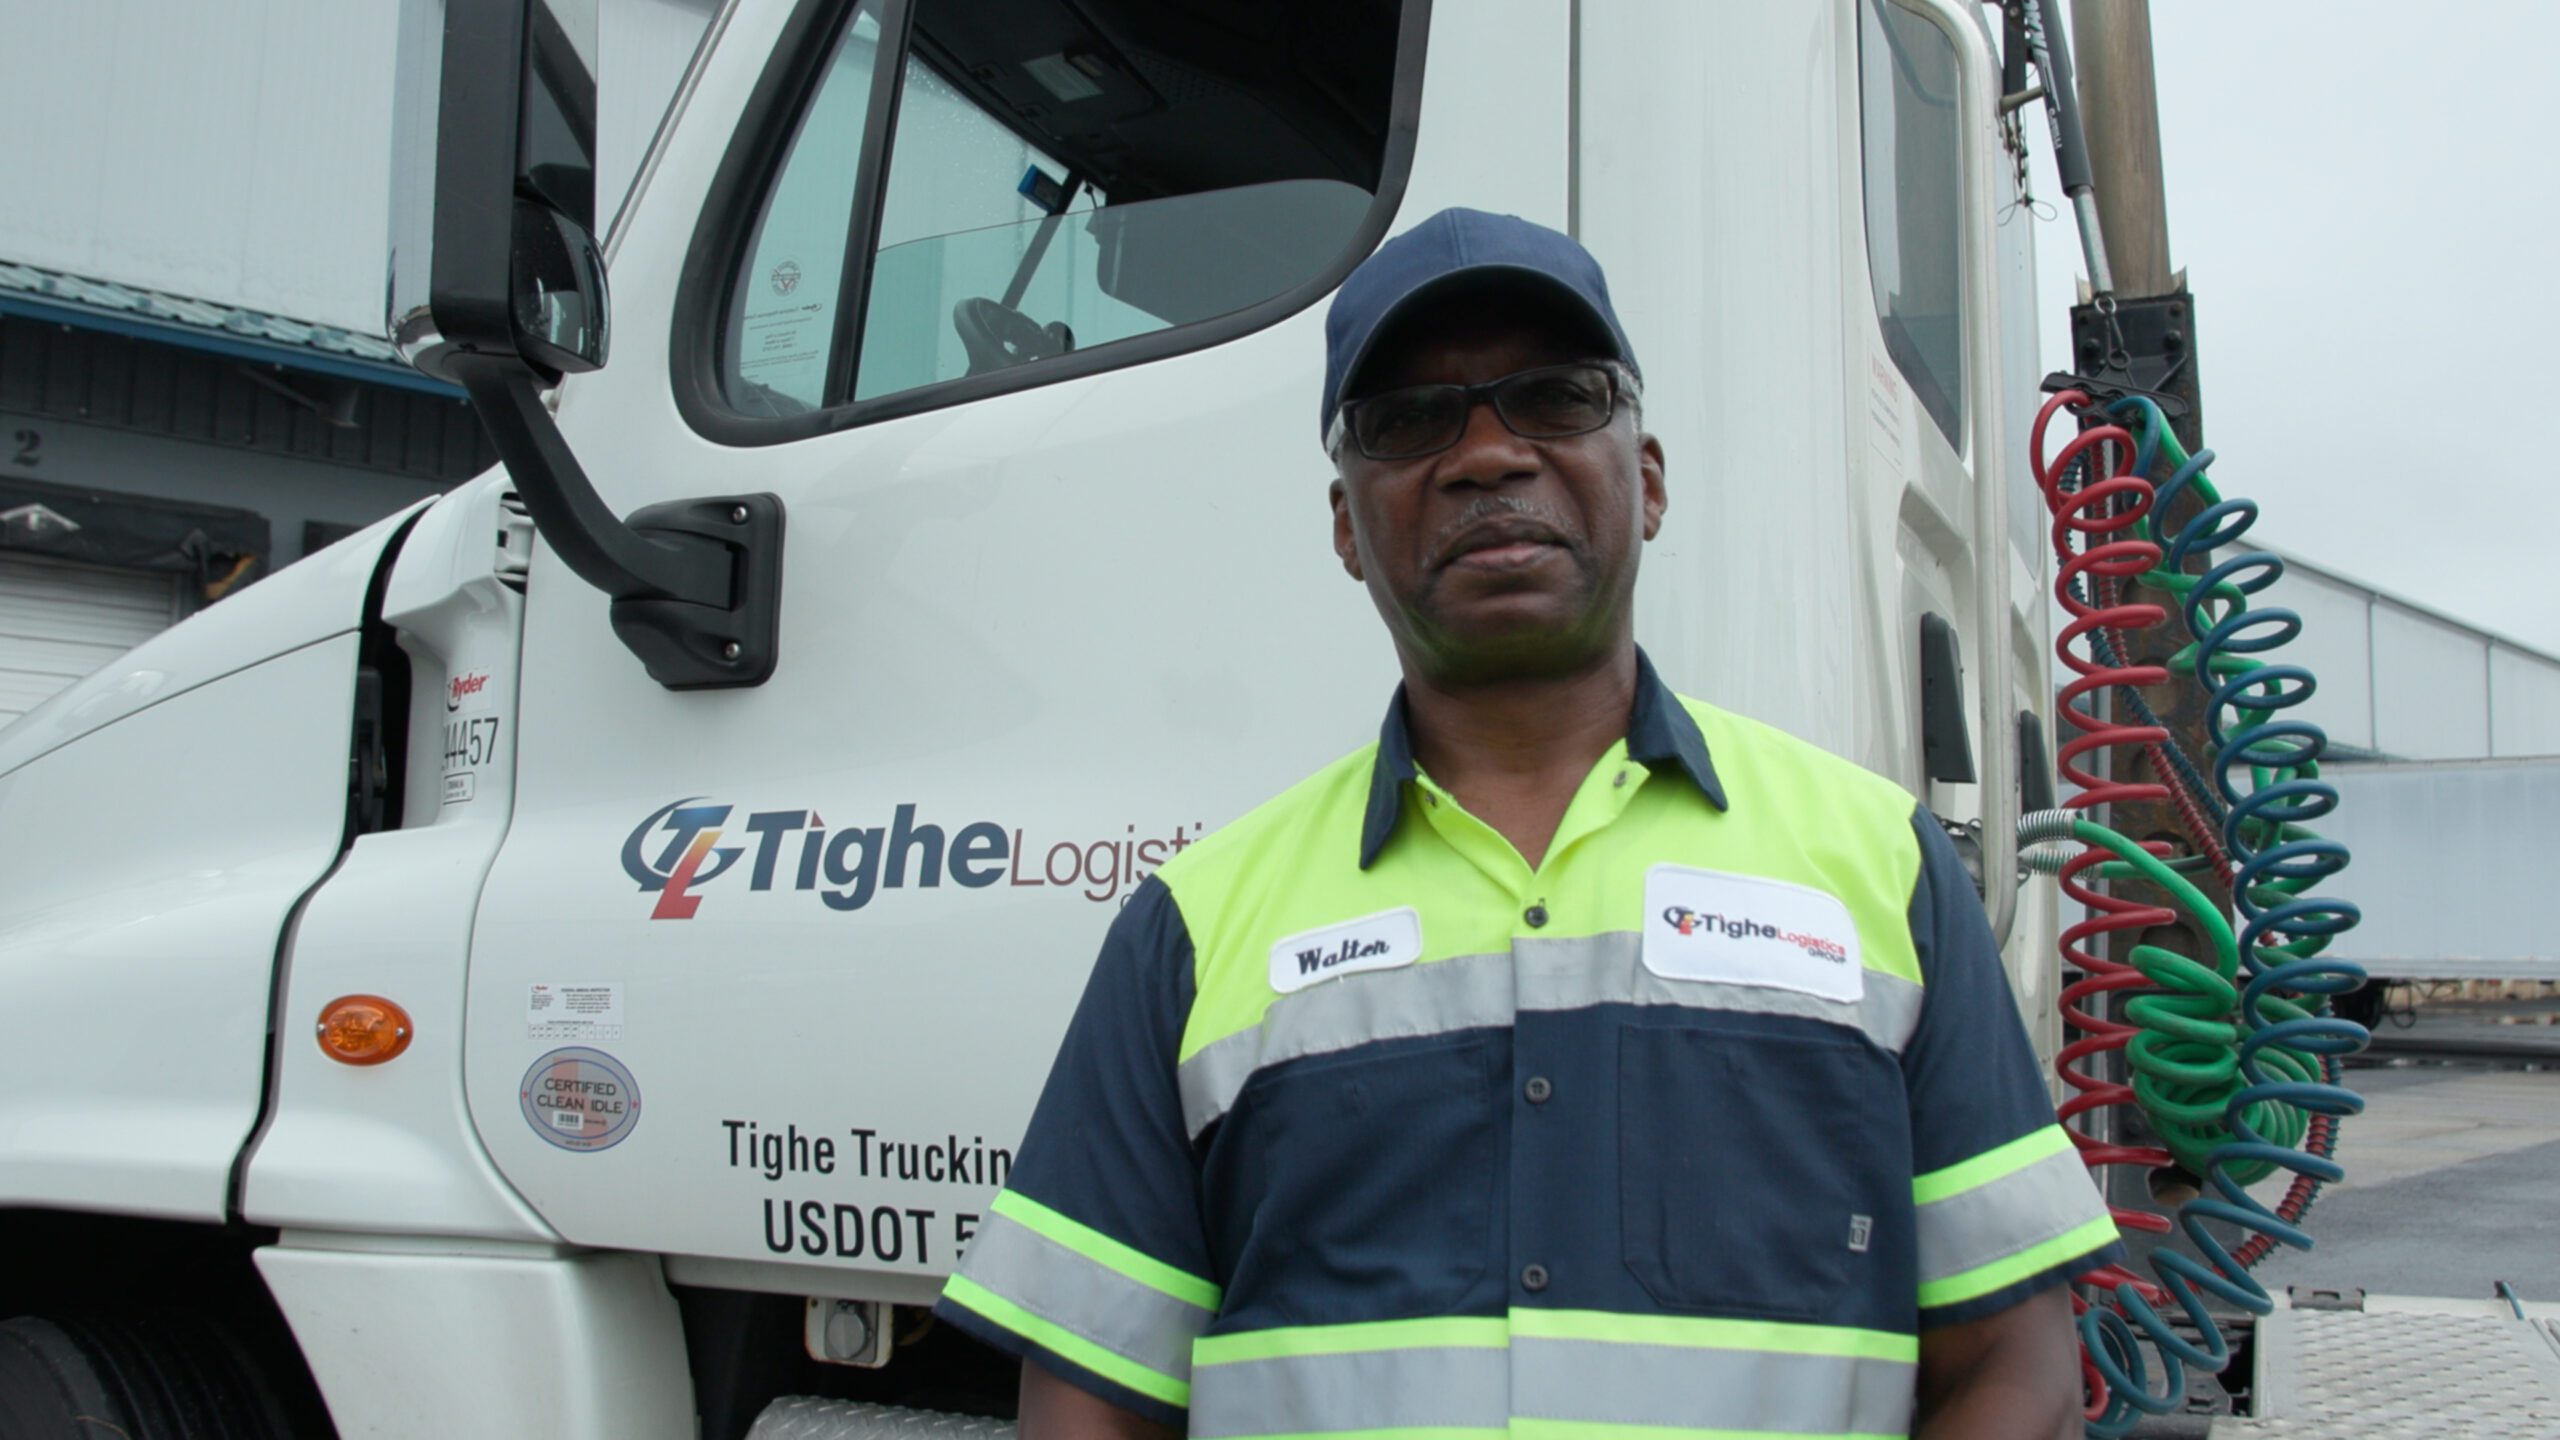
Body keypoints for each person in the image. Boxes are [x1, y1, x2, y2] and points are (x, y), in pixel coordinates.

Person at [934, 208, 2121, 1440]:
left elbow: (2014, 1373)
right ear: (1346, 527)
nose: (1488, 456)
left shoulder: (1883, 869)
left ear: (1647, 481)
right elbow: (1087, 1411)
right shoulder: (1188, 930)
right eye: (1407, 422)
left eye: (1555, 399)